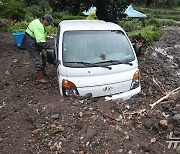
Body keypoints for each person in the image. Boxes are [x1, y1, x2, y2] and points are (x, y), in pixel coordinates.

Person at [21, 14, 54, 83]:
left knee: (43, 57)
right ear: (45, 20)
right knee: (38, 59)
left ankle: (43, 72)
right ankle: (39, 78)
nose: (49, 25)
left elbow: (41, 37)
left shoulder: (40, 23)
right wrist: (49, 48)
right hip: (31, 43)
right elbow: (41, 41)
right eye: (49, 23)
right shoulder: (38, 25)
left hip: (35, 41)